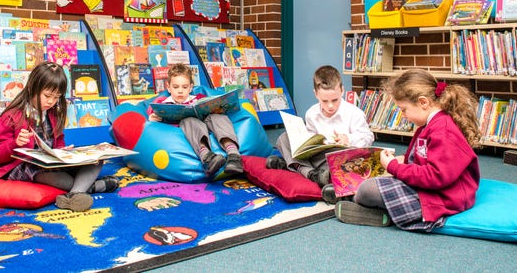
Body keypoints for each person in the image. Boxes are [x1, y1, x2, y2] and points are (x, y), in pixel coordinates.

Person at [336, 69, 481, 229]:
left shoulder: (443, 130)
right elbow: (425, 157)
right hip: (430, 188)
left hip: (443, 197)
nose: (403, 115)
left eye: (404, 109)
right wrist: (402, 160)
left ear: (423, 102)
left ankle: (356, 200)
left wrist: (394, 167)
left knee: (367, 189)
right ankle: (359, 199)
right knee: (370, 179)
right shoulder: (429, 124)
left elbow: (435, 176)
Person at [0, 61, 119, 212]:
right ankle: (89, 188)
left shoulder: (53, 113)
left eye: (56, 97)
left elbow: (58, 141)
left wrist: (64, 152)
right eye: (47, 96)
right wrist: (15, 143)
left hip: (51, 162)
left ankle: (74, 194)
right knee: (58, 179)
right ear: (33, 88)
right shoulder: (11, 116)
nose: (51, 101)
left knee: (96, 161)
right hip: (24, 166)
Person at [266, 65, 374, 203]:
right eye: (324, 101)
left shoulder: (354, 113)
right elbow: (309, 138)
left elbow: (368, 137)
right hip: (317, 158)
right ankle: (313, 174)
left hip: (339, 159)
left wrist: (349, 139)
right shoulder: (312, 113)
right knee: (283, 138)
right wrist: (304, 140)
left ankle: (296, 167)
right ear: (316, 94)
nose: (330, 106)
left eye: (335, 100)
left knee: (348, 163)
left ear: (342, 90)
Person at [148, 63, 244, 176]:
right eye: (175, 87)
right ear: (168, 87)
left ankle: (234, 156)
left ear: (190, 87)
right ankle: (208, 159)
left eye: (184, 87)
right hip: (191, 129)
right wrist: (152, 117)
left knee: (218, 117)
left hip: (208, 123)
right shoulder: (163, 102)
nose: (180, 91)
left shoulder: (198, 98)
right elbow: (151, 110)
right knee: (189, 120)